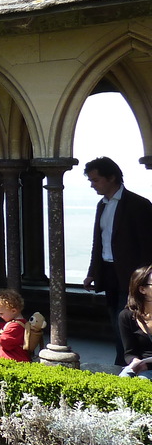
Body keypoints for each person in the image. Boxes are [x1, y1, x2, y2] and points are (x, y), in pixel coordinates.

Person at [83, 157, 152, 366]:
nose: (92, 185)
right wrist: (92, 272)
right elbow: (99, 241)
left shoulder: (138, 205)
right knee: (116, 319)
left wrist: (144, 278)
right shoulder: (101, 205)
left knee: (130, 318)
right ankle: (124, 360)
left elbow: (148, 245)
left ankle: (132, 362)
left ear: (111, 177)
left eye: (96, 180)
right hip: (108, 271)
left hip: (132, 274)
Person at [119, 264, 152, 379]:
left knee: (143, 380)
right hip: (142, 367)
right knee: (124, 379)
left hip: (147, 369)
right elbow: (129, 352)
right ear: (142, 289)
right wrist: (135, 361)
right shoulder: (127, 316)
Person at [0, 288, 30, 362]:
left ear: (13, 311)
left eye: (1, 313)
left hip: (12, 359)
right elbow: (1, 325)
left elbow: (1, 341)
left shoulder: (15, 327)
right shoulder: (18, 323)